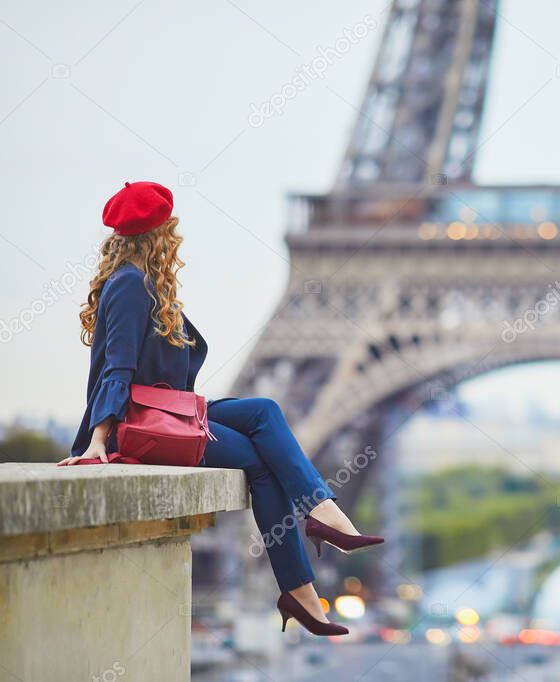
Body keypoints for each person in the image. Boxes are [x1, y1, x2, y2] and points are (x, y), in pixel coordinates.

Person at [58, 181, 383, 636]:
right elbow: (117, 368)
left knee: (265, 411)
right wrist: (98, 441)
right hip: (137, 424)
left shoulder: (141, 281)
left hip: (167, 411)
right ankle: (303, 577)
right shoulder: (132, 284)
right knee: (261, 462)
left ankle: (322, 515)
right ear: (162, 233)